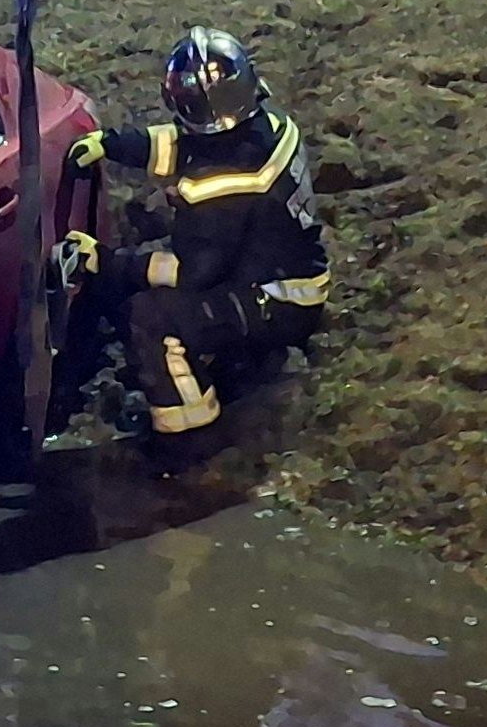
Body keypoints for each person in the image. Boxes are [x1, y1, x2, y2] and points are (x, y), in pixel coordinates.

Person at [68, 29, 330, 464]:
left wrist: (107, 263)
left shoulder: (218, 184)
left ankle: (188, 439)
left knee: (151, 318)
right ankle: (240, 365)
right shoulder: (272, 126)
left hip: (277, 300)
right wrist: (114, 145)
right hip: (290, 276)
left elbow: (192, 272)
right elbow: (186, 144)